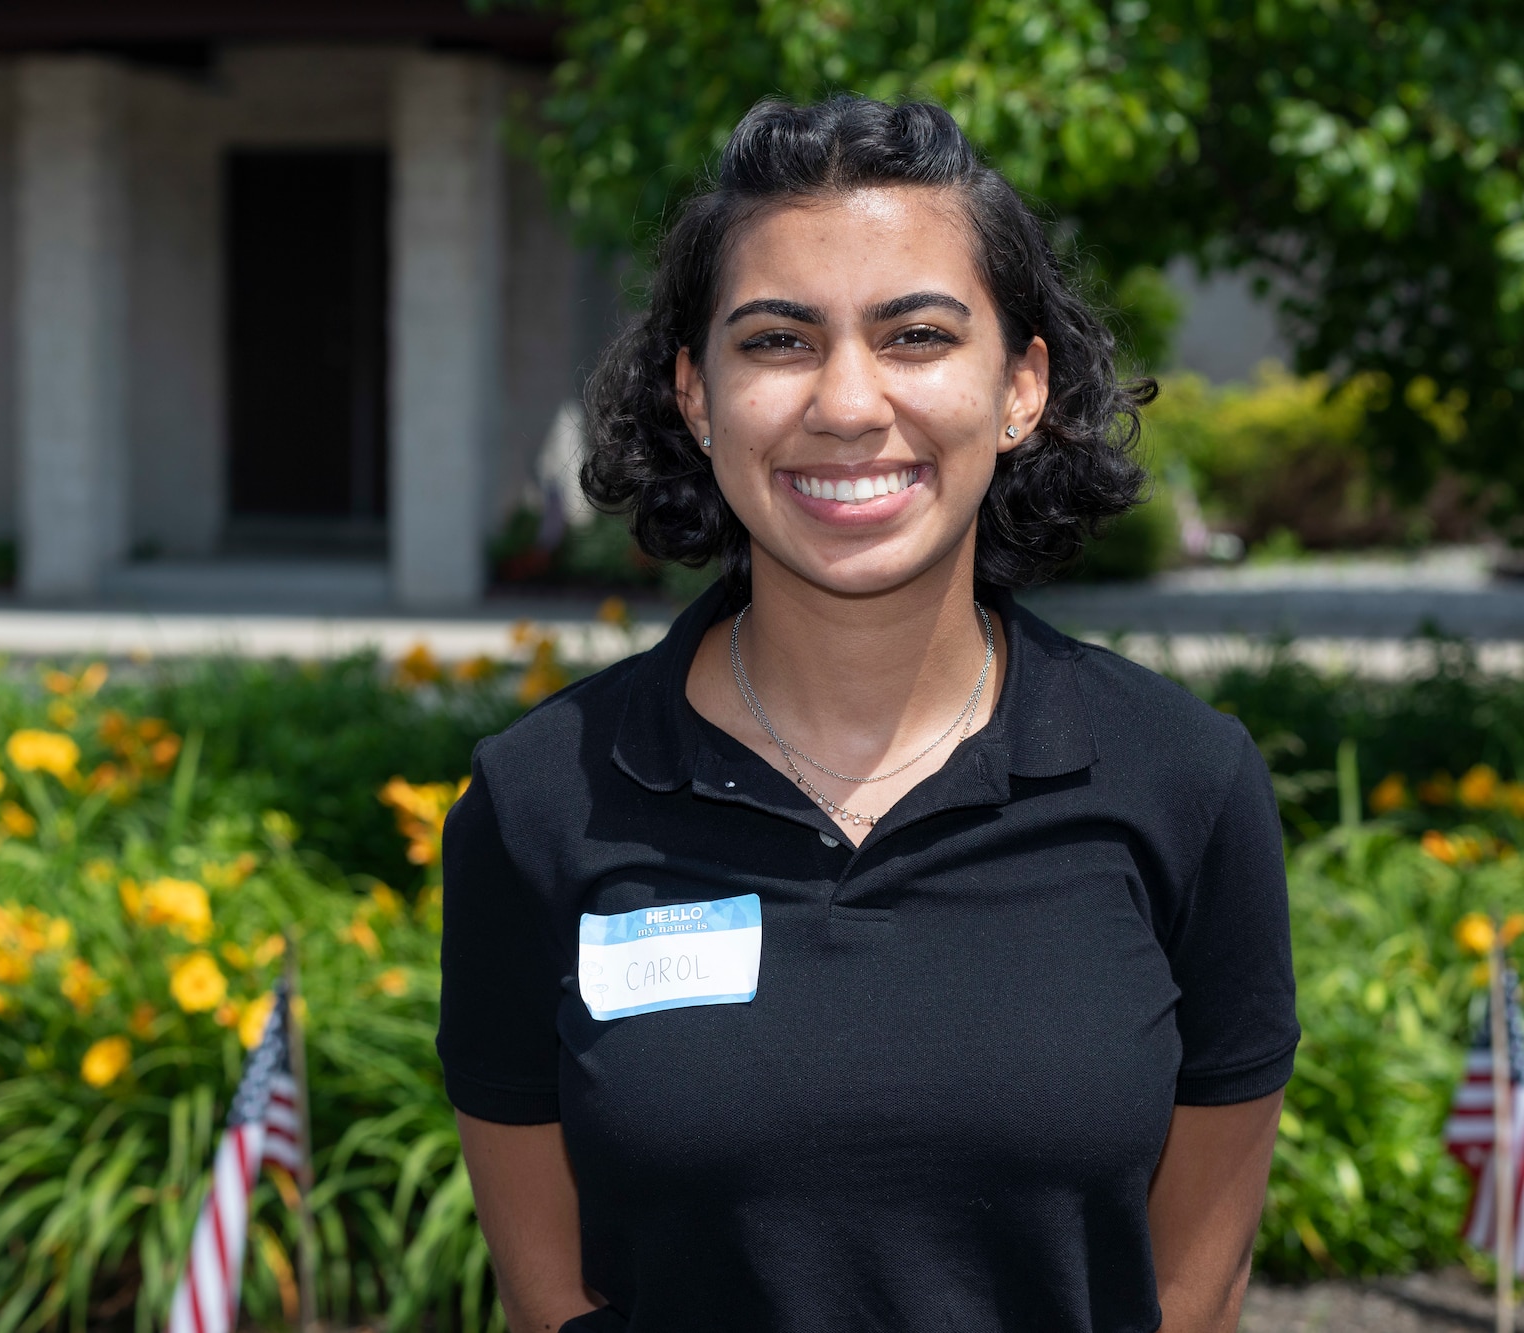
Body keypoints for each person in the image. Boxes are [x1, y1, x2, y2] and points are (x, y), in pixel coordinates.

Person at [436, 94, 1297, 1332]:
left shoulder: (1183, 782)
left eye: (916, 336)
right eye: (777, 341)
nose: (845, 402)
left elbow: (1190, 1294)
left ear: (1019, 388)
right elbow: (552, 1297)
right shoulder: (538, 800)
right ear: (695, 395)